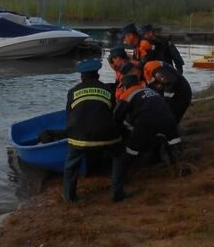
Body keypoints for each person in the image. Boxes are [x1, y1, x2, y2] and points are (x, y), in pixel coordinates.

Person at [63, 59, 126, 202]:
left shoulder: (73, 92)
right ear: (97, 75)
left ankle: (69, 197)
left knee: (71, 164)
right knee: (119, 155)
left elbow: (69, 115)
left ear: (81, 76)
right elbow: (112, 113)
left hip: (79, 138)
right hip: (107, 136)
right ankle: (116, 193)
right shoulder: (108, 90)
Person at [113, 74, 190, 180]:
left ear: (125, 86)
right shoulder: (150, 91)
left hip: (146, 122)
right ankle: (181, 167)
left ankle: (124, 174)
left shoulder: (127, 94)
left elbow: (117, 118)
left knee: (131, 149)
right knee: (173, 142)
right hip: (168, 118)